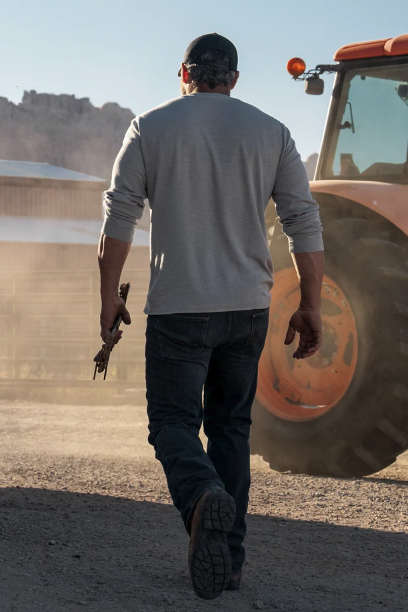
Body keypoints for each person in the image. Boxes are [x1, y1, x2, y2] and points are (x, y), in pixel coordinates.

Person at [95, 33, 325, 600]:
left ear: (184, 72)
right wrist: (312, 304)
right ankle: (233, 558)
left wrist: (108, 296)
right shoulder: (272, 132)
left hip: (179, 308)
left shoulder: (150, 126)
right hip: (247, 309)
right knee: (231, 428)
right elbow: (303, 220)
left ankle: (201, 498)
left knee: (172, 424)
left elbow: (118, 219)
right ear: (234, 79)